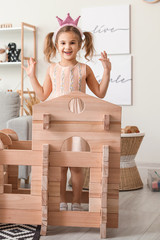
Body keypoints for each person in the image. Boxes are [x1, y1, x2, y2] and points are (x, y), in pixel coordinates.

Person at [23, 13, 111, 211]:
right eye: (62, 43)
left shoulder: (84, 69)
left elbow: (100, 92)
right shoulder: (52, 69)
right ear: (56, 45)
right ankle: (62, 201)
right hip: (57, 122)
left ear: (80, 45)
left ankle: (78, 201)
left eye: (72, 43)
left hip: (79, 122)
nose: (67, 47)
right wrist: (31, 76)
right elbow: (43, 96)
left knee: (77, 165)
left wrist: (106, 72)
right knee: (60, 166)